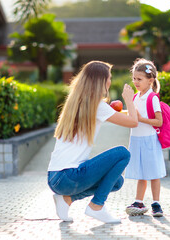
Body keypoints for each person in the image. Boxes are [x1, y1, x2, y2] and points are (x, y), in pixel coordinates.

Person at [47, 61, 138, 224]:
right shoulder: (97, 106)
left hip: (55, 177)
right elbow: (132, 122)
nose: (110, 81)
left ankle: (67, 199)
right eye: (108, 78)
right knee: (122, 154)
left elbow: (114, 116)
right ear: (100, 81)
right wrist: (129, 99)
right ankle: (97, 206)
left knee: (116, 182)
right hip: (68, 176)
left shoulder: (76, 102)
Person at [125, 58, 166, 217]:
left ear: (150, 80)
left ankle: (156, 204)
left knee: (153, 173)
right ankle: (139, 201)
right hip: (136, 139)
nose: (135, 82)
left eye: (139, 79)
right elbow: (131, 118)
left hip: (149, 140)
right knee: (141, 173)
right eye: (134, 78)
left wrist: (140, 119)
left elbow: (159, 121)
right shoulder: (135, 98)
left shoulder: (152, 98)